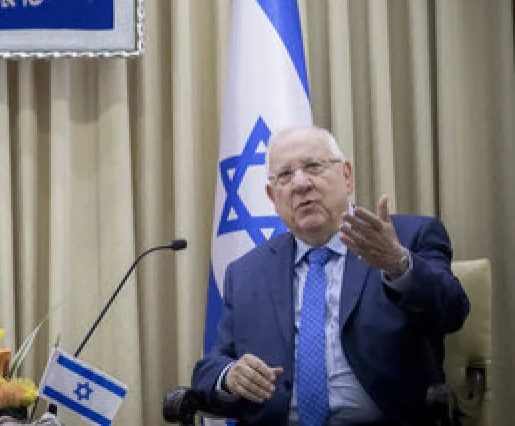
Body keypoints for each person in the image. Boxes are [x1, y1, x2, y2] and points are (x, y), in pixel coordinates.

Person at [192, 125, 469, 425]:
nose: (300, 184)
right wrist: (229, 376)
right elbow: (209, 369)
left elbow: (453, 312)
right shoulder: (246, 273)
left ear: (347, 176)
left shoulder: (408, 237)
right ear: (273, 197)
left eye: (313, 166)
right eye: (285, 176)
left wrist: (399, 265)